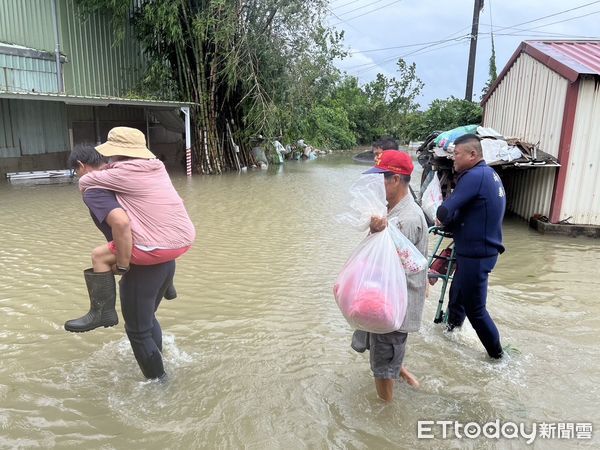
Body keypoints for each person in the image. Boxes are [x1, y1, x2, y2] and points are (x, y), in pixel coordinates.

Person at [352, 150, 429, 402]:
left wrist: (376, 233)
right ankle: (402, 372)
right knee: (382, 351)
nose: (377, 185)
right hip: (386, 301)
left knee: (382, 367)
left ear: (395, 180)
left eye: (381, 179)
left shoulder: (405, 220)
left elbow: (385, 264)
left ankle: (386, 411)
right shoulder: (392, 211)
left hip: (392, 305)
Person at [435, 133, 506, 359]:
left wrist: (440, 217)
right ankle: (451, 333)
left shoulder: (474, 176)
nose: (453, 159)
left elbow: (445, 210)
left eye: (456, 154)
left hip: (477, 255)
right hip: (474, 251)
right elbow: (471, 212)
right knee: (457, 296)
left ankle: (498, 357)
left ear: (472, 154)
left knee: (476, 310)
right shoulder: (488, 174)